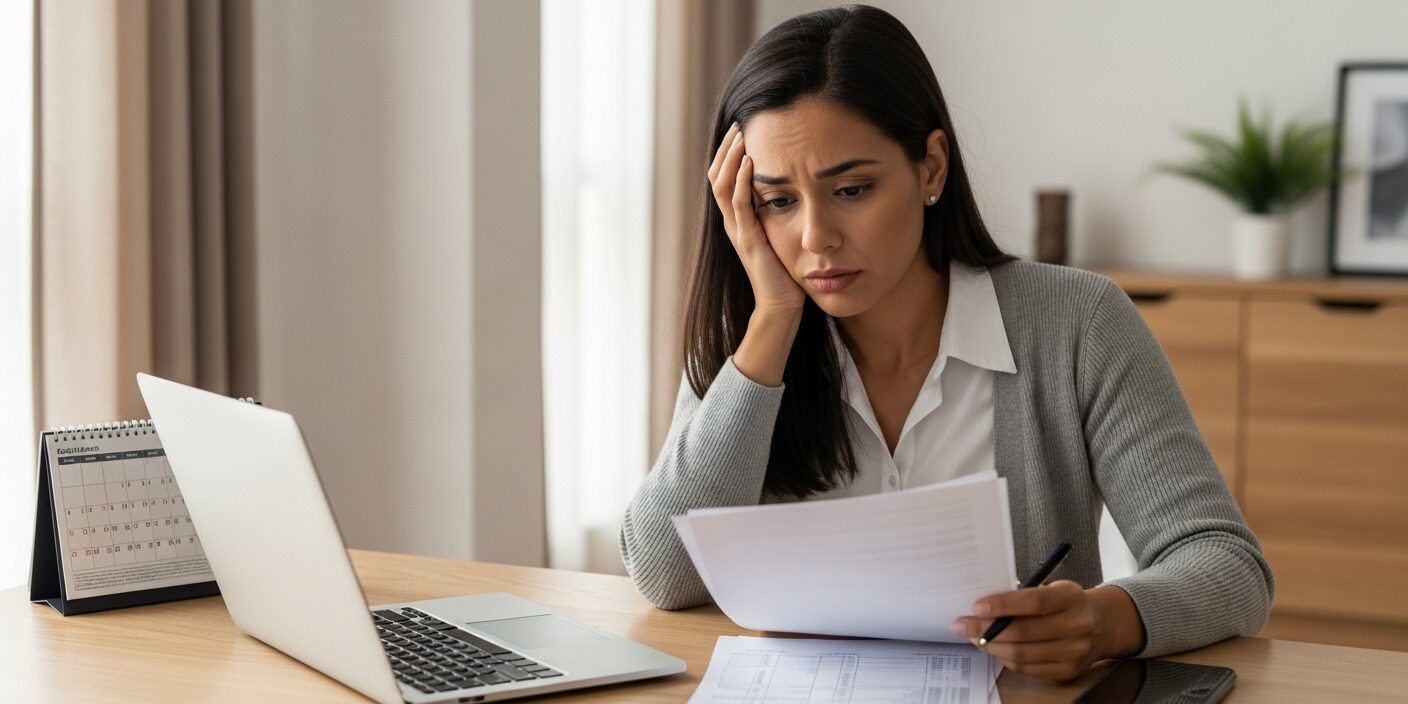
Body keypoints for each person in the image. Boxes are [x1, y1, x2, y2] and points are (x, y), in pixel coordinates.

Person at [619, 4, 1272, 683]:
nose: (815, 238)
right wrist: (773, 321)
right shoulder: (748, 338)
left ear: (931, 168)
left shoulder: (1076, 323)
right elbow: (666, 575)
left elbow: (1227, 564)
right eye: (778, 201)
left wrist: (1105, 620)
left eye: (851, 189)